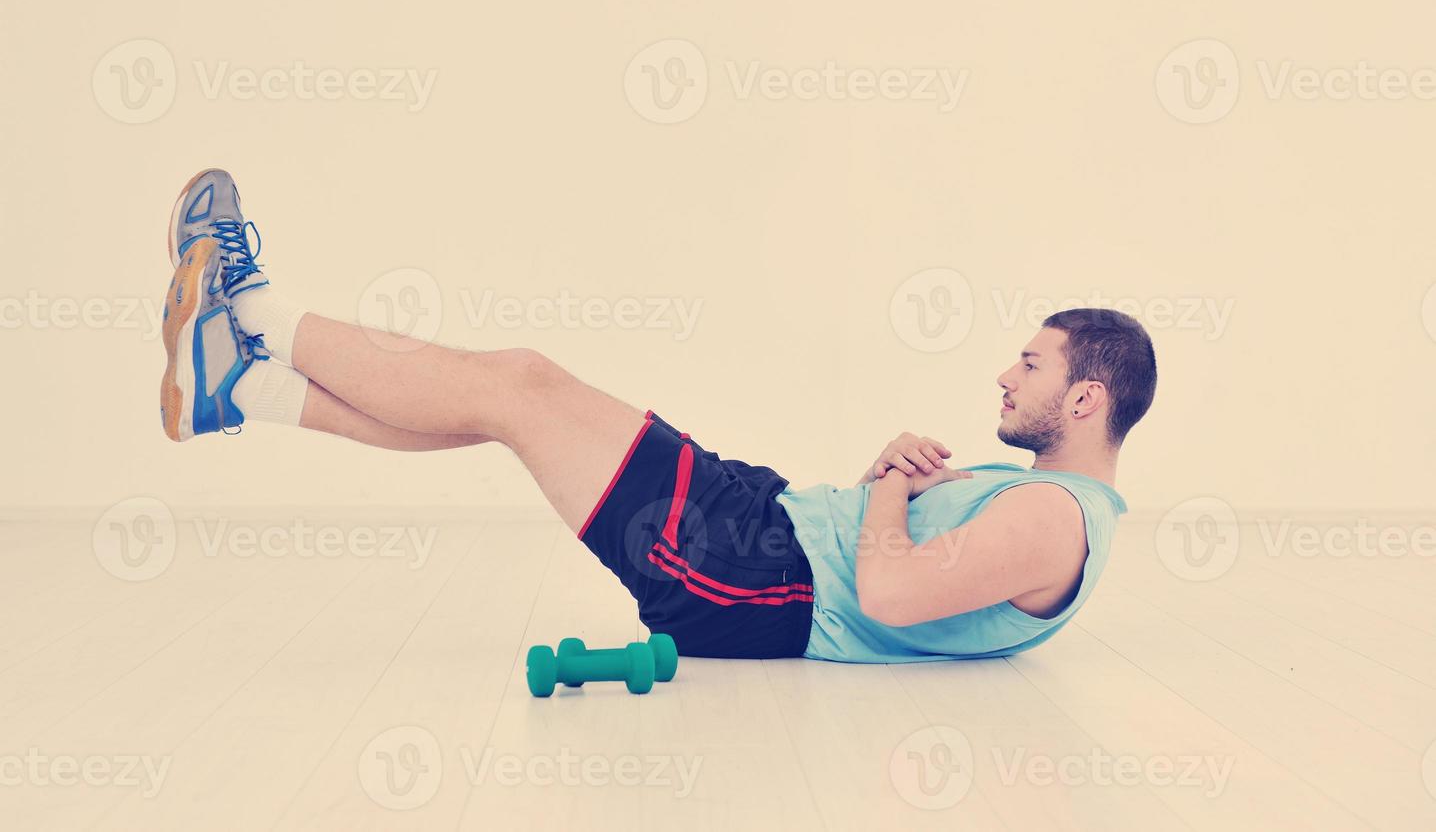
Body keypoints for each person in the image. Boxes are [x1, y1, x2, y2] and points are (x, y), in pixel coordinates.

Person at [160, 169, 1158, 662]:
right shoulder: (1041, 503)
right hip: (759, 532)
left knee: (516, 383)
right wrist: (880, 480)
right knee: (513, 399)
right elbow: (892, 567)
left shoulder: (1052, 517)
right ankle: (237, 387)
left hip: (750, 575)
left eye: (1029, 364)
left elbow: (889, 599)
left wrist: (890, 495)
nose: (1002, 375)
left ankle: (246, 306)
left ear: (1084, 398)